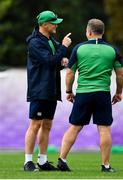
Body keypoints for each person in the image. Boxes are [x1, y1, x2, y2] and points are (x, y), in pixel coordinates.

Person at [57, 19, 123, 172]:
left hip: (83, 93)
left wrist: (68, 91)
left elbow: (69, 73)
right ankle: (106, 166)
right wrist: (119, 92)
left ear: (88, 32)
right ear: (102, 32)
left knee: (74, 127)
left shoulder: (79, 48)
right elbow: (120, 75)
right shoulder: (112, 50)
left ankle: (62, 160)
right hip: (102, 93)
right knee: (104, 129)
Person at [24, 10, 72, 172]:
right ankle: (28, 162)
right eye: (54, 23)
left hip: (51, 89)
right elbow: (49, 61)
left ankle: (43, 161)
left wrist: (63, 61)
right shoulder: (35, 42)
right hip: (39, 89)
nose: (56, 25)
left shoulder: (51, 40)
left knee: (47, 125)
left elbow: (55, 62)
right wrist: (64, 48)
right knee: (35, 124)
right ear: (44, 25)